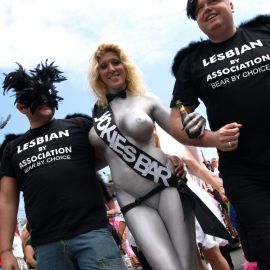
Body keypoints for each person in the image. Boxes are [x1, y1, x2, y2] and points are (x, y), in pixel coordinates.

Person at [88, 43, 231, 270]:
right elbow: (92, 162)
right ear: (97, 74)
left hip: (165, 187)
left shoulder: (148, 99)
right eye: (103, 65)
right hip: (130, 200)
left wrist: (212, 137)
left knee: (187, 265)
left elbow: (180, 131)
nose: (111, 68)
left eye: (116, 62)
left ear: (125, 65)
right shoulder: (97, 116)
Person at [169, 1, 270, 268]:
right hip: (247, 175)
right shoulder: (191, 62)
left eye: (212, 1)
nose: (206, 9)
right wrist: (212, 138)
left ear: (230, 4)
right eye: (198, 9)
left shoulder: (265, 32)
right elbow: (177, 116)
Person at [0, 60, 127, 270]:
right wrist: (5, 250)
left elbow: (117, 154)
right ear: (21, 107)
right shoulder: (12, 148)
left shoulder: (79, 125)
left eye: (47, 93)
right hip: (47, 246)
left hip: (93, 234)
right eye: (35, 97)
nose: (45, 100)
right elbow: (6, 200)